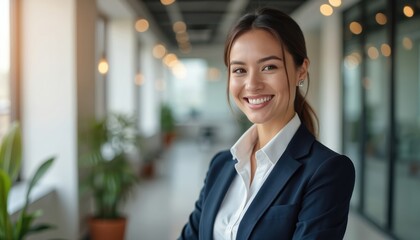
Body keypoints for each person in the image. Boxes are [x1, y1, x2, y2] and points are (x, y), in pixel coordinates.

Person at [178, 7, 355, 240]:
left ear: (301, 70)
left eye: (269, 67)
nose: (252, 84)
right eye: (240, 70)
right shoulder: (221, 165)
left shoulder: (326, 172)